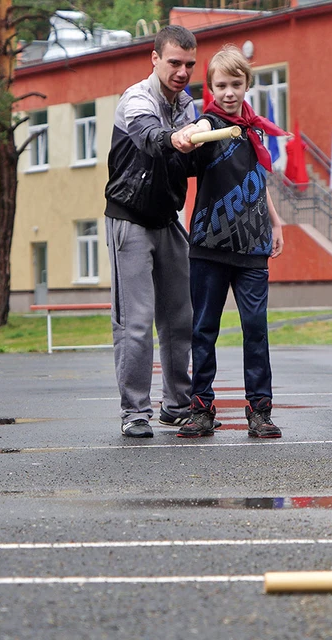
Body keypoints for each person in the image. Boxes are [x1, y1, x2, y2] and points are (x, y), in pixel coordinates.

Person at [174, 44, 287, 439]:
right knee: (204, 329)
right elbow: (200, 130)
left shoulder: (254, 130)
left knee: (255, 329)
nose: (228, 92)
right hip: (209, 246)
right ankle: (202, 410)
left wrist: (275, 222)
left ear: (246, 84)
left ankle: (260, 411)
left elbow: (260, 179)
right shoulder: (210, 126)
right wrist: (190, 134)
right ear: (211, 88)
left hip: (253, 246)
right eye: (220, 85)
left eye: (235, 84)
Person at [103, 25, 204, 438]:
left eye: (189, 65)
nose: (182, 72)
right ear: (155, 58)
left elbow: (194, 163)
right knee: (137, 322)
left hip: (167, 220)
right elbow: (149, 137)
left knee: (180, 319)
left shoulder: (188, 106)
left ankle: (177, 404)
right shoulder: (136, 98)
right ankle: (135, 411)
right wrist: (178, 138)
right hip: (129, 219)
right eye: (174, 62)